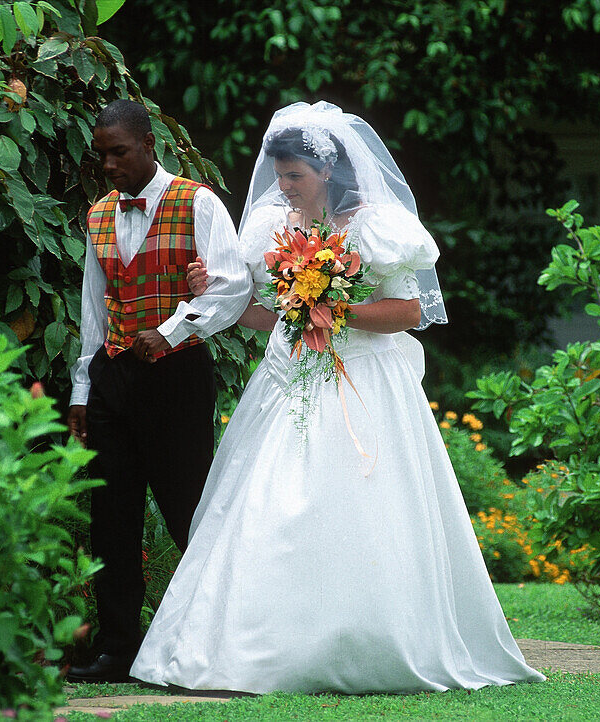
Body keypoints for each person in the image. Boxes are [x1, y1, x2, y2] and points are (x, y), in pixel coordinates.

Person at [129, 101, 544, 693]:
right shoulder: (280, 230)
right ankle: (256, 643)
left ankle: (370, 639)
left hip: (366, 383)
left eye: (294, 176)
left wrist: (334, 307)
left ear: (327, 172)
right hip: (291, 382)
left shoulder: (378, 226)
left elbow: (408, 310)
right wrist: (217, 294)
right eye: (280, 176)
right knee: (265, 508)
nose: (284, 188)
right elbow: (265, 318)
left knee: (365, 510)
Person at [65, 99, 252, 683]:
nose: (110, 166)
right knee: (111, 515)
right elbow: (94, 311)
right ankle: (118, 649)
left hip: (176, 378)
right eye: (101, 157)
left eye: (119, 153)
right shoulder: (97, 215)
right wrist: (80, 389)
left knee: (188, 510)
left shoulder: (198, 202)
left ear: (149, 144)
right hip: (113, 377)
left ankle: (221, 640)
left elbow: (232, 287)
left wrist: (169, 331)